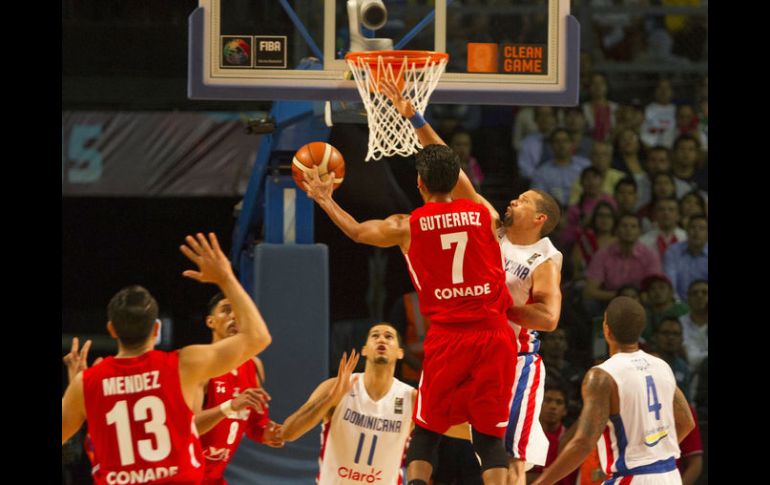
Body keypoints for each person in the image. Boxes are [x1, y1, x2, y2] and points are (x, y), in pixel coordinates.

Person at [304, 78, 518, 485]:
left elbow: (355, 231)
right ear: (456, 178)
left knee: (426, 436)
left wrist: (324, 197)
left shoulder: (406, 227)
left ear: (419, 185)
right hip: (494, 335)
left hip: (448, 337)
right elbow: (448, 165)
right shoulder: (482, 213)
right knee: (490, 439)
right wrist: (415, 117)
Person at [381, 78, 564, 485]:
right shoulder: (489, 224)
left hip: (514, 358)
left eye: (524, 200)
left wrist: (496, 304)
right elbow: (453, 170)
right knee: (442, 431)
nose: (513, 200)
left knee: (512, 456)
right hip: (476, 344)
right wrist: (415, 118)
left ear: (539, 220)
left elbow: (548, 318)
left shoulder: (545, 258)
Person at [61, 232, 273, 484]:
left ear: (111, 330)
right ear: (156, 329)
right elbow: (259, 337)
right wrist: (225, 277)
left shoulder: (87, 383)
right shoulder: (184, 365)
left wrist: (78, 389)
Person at [531, 297, 695, 485]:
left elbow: (583, 443)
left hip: (632, 476)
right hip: (670, 475)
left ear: (606, 329)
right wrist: (653, 452)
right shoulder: (662, 366)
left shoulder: (602, 376)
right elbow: (686, 422)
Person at [280, 323, 415, 485]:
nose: (381, 339)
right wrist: (330, 398)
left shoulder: (411, 398)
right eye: (375, 335)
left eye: (388, 336)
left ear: (400, 353)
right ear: (364, 350)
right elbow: (288, 433)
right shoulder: (335, 387)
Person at [194, 292, 284, 484]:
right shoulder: (199, 364)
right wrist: (230, 406)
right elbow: (189, 428)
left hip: (214, 478)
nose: (234, 316)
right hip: (185, 477)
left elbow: (255, 424)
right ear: (211, 322)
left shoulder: (254, 366)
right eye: (226, 311)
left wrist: (269, 433)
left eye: (238, 312)